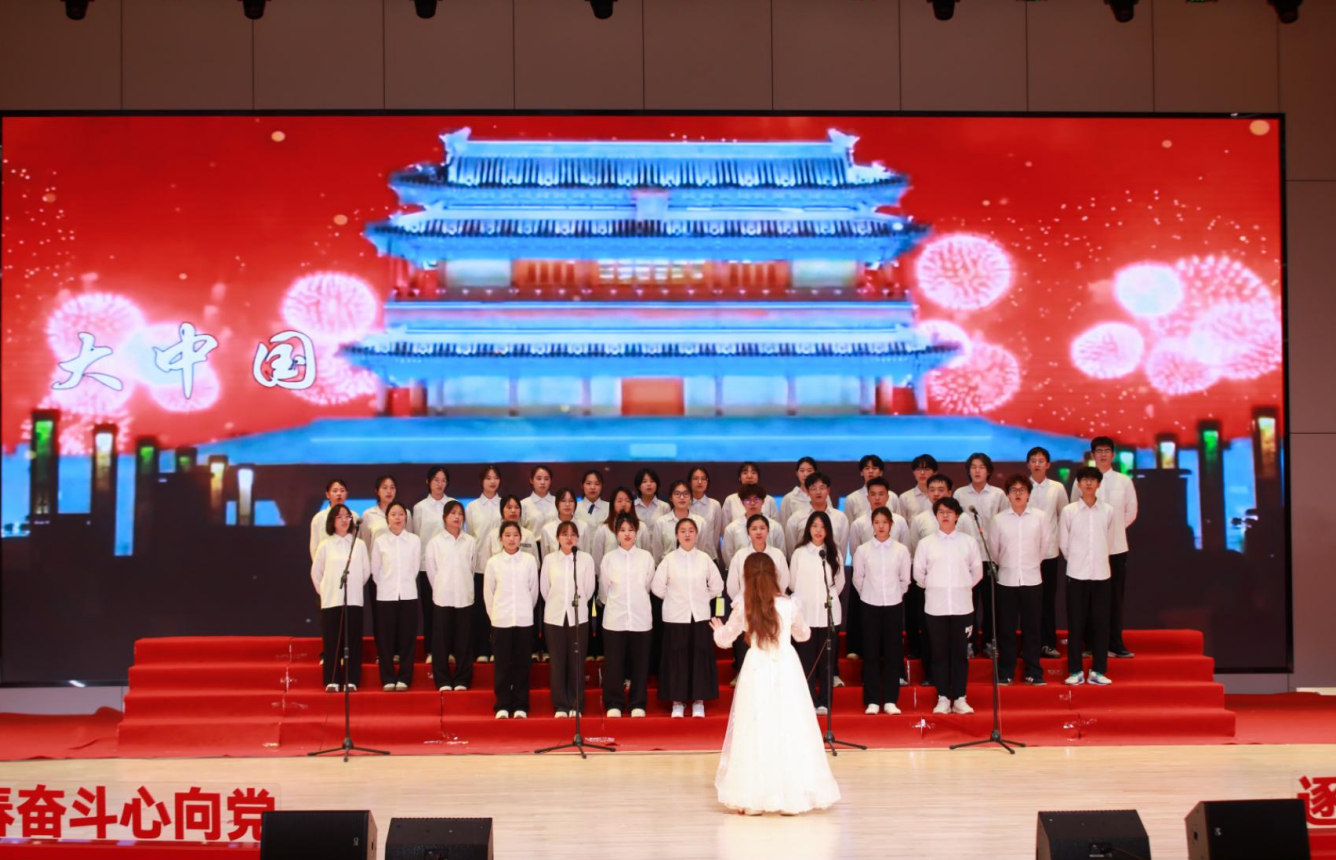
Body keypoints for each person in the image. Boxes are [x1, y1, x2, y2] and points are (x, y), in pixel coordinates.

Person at [710, 553, 841, 816]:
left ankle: (753, 800)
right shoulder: (788, 605)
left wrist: (717, 629)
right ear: (775, 575)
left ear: (746, 577)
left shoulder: (744, 605)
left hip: (756, 667)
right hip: (786, 666)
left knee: (755, 727)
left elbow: (724, 639)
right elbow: (804, 635)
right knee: (789, 725)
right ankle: (792, 799)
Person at [913, 497, 983, 716]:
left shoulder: (968, 542)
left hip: (962, 607)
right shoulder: (926, 543)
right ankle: (943, 697)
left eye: (949, 512)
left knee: (960, 654)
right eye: (941, 512)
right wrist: (938, 587)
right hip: (936, 607)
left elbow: (977, 572)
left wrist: (960, 586)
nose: (945, 515)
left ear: (957, 516)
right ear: (936, 516)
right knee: (939, 654)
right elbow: (918, 574)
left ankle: (960, 698)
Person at [651, 518, 723, 718]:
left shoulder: (705, 559)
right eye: (682, 531)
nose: (687, 534)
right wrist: (674, 599)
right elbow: (657, 587)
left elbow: (717, 585)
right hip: (675, 616)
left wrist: (702, 597)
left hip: (699, 615)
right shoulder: (669, 559)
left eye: (691, 530)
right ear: (676, 535)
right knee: (677, 657)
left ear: (697, 535)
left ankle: (699, 701)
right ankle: (677, 702)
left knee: (700, 655)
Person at [987, 475, 1048, 686]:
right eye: (1014, 490)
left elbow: (1044, 547)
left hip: (1032, 579)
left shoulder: (1040, 517)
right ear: (1007, 494)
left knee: (1032, 629)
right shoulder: (999, 520)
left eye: (1022, 490)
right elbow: (994, 551)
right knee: (1006, 630)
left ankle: (1034, 672)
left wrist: (1030, 565)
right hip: (1006, 581)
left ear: (1029, 494)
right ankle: (1006, 672)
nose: (1018, 494)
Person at [1059, 467, 1118, 687]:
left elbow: (1109, 541)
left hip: (1101, 573)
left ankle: (1098, 670)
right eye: (1084, 480)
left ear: (1099, 484)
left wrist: (1098, 558)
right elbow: (1064, 543)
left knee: (1101, 624)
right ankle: (1075, 670)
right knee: (1076, 624)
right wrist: (1077, 560)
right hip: (1077, 573)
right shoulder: (1069, 511)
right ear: (1078, 484)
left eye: (1093, 480)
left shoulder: (1108, 511)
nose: (1089, 484)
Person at [852, 506, 911, 714]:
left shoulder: (901, 550)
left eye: (884, 522)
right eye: (877, 523)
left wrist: (894, 595)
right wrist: (870, 595)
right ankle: (872, 700)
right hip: (869, 605)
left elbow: (905, 580)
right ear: (872, 525)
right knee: (871, 653)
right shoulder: (863, 550)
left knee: (893, 653)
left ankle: (890, 700)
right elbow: (858, 579)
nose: (881, 526)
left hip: (893, 605)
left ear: (891, 525)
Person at [599, 514, 655, 718]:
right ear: (616, 533)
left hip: (640, 617)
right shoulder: (609, 559)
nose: (627, 534)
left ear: (637, 532)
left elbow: (647, 586)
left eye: (631, 529)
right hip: (615, 618)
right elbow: (605, 590)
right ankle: (614, 702)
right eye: (622, 530)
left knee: (640, 663)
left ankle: (637, 703)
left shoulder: (646, 558)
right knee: (614, 663)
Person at [310, 504, 371, 692]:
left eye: (347, 516)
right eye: (340, 517)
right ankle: (332, 679)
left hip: (353, 599)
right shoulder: (325, 544)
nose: (345, 520)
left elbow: (365, 571)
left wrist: (353, 587)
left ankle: (351, 680)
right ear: (332, 521)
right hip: (331, 600)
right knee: (332, 640)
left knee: (353, 639)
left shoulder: (358, 545)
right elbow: (316, 573)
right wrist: (326, 592)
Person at [724, 513, 791, 684]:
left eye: (762, 528)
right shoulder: (740, 555)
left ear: (768, 530)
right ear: (748, 532)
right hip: (747, 607)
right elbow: (732, 586)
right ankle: (742, 676)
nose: (758, 532)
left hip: (771, 608)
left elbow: (783, 581)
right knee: (745, 646)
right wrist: (742, 603)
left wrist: (772, 601)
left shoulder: (777, 554)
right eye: (754, 529)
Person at [789, 510, 844, 714]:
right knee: (807, 661)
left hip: (829, 615)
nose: (818, 530)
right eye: (814, 526)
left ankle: (825, 702)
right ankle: (810, 701)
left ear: (828, 530)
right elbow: (792, 583)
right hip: (805, 615)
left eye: (822, 527)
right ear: (808, 529)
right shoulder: (799, 553)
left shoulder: (834, 552)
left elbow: (839, 584)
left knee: (827, 662)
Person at [540, 521, 597, 718]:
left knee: (577, 661)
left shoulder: (586, 559)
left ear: (578, 538)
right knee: (557, 662)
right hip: (554, 616)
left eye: (573, 534)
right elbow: (545, 589)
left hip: (578, 616)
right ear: (557, 538)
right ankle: (561, 705)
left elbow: (588, 589)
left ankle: (576, 704)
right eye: (564, 534)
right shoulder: (549, 560)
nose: (569, 537)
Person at [484, 520, 540, 719]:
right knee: (502, 665)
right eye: (507, 535)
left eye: (515, 535)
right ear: (500, 539)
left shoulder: (529, 561)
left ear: (520, 538)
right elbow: (489, 593)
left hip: (524, 619)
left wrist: (524, 610)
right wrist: (495, 616)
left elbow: (533, 591)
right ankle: (502, 704)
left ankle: (520, 705)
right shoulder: (493, 563)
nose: (511, 539)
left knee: (522, 664)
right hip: (501, 620)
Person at [1091, 436, 1138, 659]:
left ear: (1113, 455)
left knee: (1115, 597)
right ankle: (1092, 644)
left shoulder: (1123, 481)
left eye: (1106, 451)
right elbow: (1074, 510)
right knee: (1091, 599)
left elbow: (1131, 511)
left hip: (1117, 547)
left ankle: (1115, 644)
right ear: (1093, 455)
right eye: (1098, 451)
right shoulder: (1084, 480)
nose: (1103, 454)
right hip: (1091, 548)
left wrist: (1113, 529)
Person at [954, 453, 1006, 656]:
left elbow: (1004, 524)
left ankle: (990, 642)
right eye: (973, 467)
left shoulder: (998, 494)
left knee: (991, 604)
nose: (977, 471)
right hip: (967, 559)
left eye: (981, 467)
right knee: (969, 603)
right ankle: (969, 643)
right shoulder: (960, 494)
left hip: (991, 556)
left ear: (989, 471)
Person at [425, 500, 477, 691]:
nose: (457, 517)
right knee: (441, 641)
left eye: (460, 514)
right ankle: (443, 680)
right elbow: (432, 572)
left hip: (464, 596)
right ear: (444, 517)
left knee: (464, 640)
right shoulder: (435, 542)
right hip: (443, 596)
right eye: (453, 513)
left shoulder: (470, 541)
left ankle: (463, 679)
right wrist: (441, 588)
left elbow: (471, 568)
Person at [370, 501, 421, 691]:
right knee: (385, 640)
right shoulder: (380, 541)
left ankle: (405, 678)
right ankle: (388, 678)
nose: (397, 518)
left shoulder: (414, 540)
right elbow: (375, 570)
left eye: (401, 514)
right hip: (386, 595)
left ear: (406, 517)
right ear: (387, 518)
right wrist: (387, 585)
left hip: (408, 594)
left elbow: (415, 568)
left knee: (408, 639)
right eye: (393, 514)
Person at [1027, 446, 1069, 659]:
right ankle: (1029, 645)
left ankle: (1047, 643)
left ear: (1048, 464)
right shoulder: (1020, 487)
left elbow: (1065, 516)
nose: (1037, 464)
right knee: (1028, 602)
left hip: (1050, 553)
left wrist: (1059, 543)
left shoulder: (1057, 488)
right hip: (1025, 554)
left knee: (1047, 600)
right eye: (1033, 460)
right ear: (1028, 464)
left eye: (1041, 460)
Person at [412, 466, 454, 664]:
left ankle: (450, 650)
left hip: (450, 566)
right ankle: (431, 650)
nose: (440, 484)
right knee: (430, 609)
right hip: (426, 566)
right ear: (428, 482)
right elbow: (416, 537)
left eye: (443, 480)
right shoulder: (420, 508)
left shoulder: (453, 504)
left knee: (449, 610)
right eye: (436, 480)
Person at [465, 465, 504, 664]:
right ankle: (481, 649)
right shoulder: (472, 507)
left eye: (496, 478)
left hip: (502, 566)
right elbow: (471, 537)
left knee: (498, 610)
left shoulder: (505, 505)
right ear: (481, 481)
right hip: (480, 565)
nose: (492, 481)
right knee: (480, 610)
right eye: (488, 478)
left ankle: (497, 649)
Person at [721, 485, 785, 566]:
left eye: (756, 500)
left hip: (770, 570)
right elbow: (728, 555)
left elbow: (781, 553)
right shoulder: (731, 528)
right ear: (742, 503)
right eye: (748, 500)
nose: (752, 503)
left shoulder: (775, 527)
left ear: (763, 501)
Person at [654, 480, 708, 564]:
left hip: (694, 567)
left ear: (691, 497)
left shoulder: (700, 522)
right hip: (668, 568)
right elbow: (657, 554)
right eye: (677, 494)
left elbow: (701, 549)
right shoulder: (661, 522)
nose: (682, 497)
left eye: (686, 494)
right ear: (671, 498)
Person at [310, 478, 355, 562]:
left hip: (349, 562)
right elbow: (314, 547)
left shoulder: (352, 516)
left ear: (346, 494)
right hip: (327, 563)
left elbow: (356, 538)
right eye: (335, 491)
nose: (339, 494)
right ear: (327, 494)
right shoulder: (319, 518)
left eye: (342, 491)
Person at [688, 466, 725, 565]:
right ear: (689, 482)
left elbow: (716, 534)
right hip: (687, 556)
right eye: (695, 478)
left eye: (703, 479)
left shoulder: (715, 504)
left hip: (709, 556)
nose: (700, 482)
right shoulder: (684, 504)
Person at [722, 461, 779, 526]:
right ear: (739, 478)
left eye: (753, 473)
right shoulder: (731, 500)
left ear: (758, 477)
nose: (749, 476)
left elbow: (775, 525)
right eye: (745, 473)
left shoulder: (769, 500)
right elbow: (725, 528)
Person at [845, 454, 897, 523]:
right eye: (867, 468)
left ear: (881, 472)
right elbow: (850, 526)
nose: (870, 471)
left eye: (874, 468)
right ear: (861, 472)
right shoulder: (852, 499)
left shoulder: (892, 496)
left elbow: (897, 522)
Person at [778, 456, 818, 527]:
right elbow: (783, 526)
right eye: (802, 471)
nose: (805, 474)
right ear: (797, 473)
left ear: (815, 472)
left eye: (809, 471)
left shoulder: (823, 496)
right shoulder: (789, 498)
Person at [899, 454, 939, 522]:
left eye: (926, 469)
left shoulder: (940, 496)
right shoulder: (905, 497)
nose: (922, 473)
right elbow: (901, 523)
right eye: (918, 469)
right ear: (913, 472)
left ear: (935, 472)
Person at [520, 465, 557, 535]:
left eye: (546, 479)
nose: (542, 482)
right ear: (531, 480)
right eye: (539, 479)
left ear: (550, 481)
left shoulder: (558, 502)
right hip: (532, 541)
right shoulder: (523, 504)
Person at [575, 469, 610, 534]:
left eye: (597, 484)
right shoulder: (575, 507)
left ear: (602, 486)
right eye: (588, 483)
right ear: (582, 485)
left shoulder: (610, 507)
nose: (592, 487)